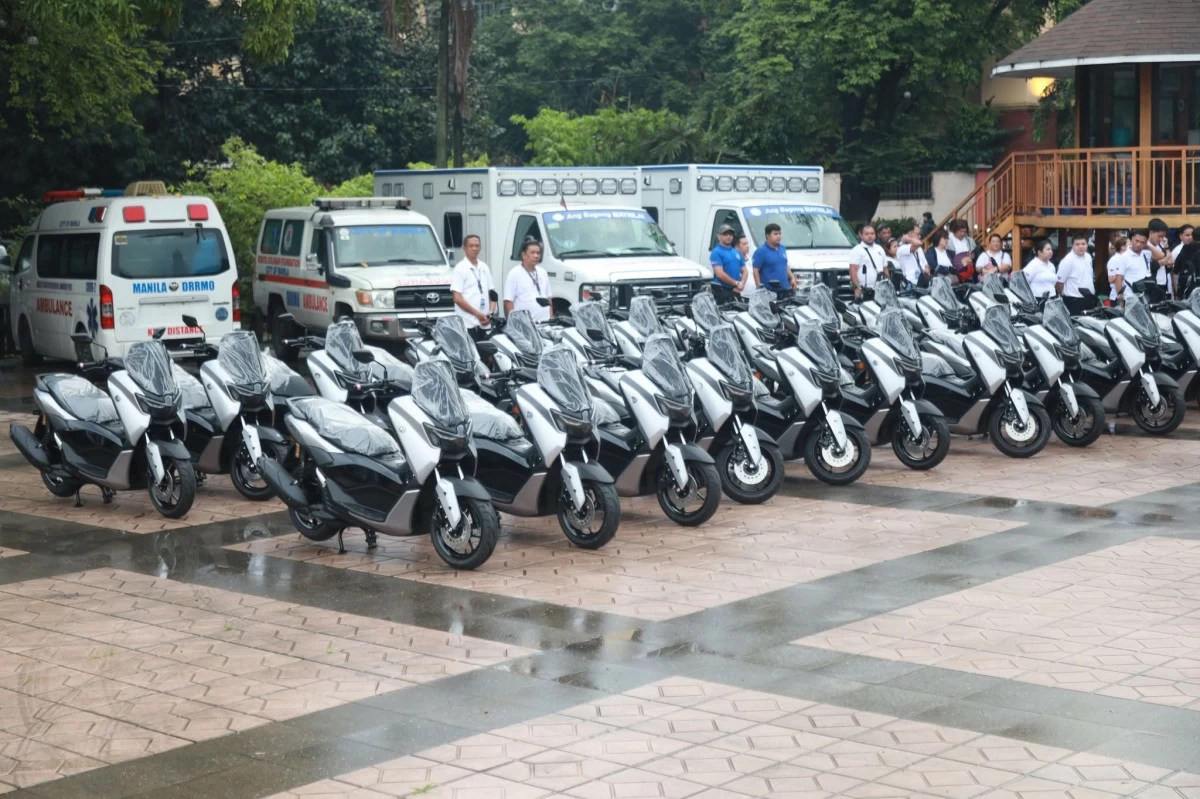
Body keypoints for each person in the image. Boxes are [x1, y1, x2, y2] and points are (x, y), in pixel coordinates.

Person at [450, 234, 496, 336]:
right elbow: (457, 298)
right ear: (464, 248)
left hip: (484, 323)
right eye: (471, 246)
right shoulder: (460, 268)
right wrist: (477, 314)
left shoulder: (484, 267)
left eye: (477, 246)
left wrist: (490, 314)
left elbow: (492, 294)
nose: (474, 248)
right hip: (467, 324)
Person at [504, 238, 553, 322]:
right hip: (526, 324)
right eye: (532, 253)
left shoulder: (543, 272)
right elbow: (508, 301)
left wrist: (551, 318)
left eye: (538, 253)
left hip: (545, 323)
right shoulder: (514, 274)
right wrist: (515, 322)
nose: (536, 256)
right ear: (523, 255)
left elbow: (549, 298)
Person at [1108, 230, 1151, 306]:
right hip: (1129, 299)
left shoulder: (1146, 254)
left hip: (1143, 298)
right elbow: (1118, 279)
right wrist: (1120, 301)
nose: (1139, 244)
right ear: (1131, 239)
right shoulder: (1124, 257)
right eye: (1137, 241)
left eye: (1142, 242)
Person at [1055, 233, 1096, 314]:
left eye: (1083, 244)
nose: (1081, 246)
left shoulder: (1088, 257)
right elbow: (1059, 283)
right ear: (1073, 246)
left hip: (1089, 299)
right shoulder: (1067, 261)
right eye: (1077, 244)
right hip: (1073, 301)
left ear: (1087, 245)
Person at [753, 223, 797, 295]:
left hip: (785, 289)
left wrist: (792, 278)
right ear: (768, 235)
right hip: (770, 292)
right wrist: (759, 287)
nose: (778, 236)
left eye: (780, 234)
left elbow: (785, 264)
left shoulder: (782, 248)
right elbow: (755, 270)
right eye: (775, 234)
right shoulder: (761, 251)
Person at [709, 224, 745, 303]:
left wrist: (741, 284)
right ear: (719, 236)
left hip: (735, 290)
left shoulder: (736, 252)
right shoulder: (716, 252)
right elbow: (719, 274)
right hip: (722, 290)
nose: (728, 236)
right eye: (725, 234)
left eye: (730, 234)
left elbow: (744, 270)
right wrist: (736, 283)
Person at [849, 223, 886, 299]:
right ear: (861, 235)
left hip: (881, 290)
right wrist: (856, 288)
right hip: (864, 290)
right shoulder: (857, 250)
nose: (870, 236)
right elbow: (852, 271)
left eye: (872, 233)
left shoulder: (880, 249)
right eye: (867, 234)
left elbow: (885, 268)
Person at [1147, 218, 1174, 299]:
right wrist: (1161, 262)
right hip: (1152, 284)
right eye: (1159, 236)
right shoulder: (1146, 246)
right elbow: (1147, 266)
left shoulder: (1161, 246)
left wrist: (1166, 247)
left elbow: (1170, 261)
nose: (1161, 239)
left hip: (1164, 283)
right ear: (1151, 232)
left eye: (1163, 237)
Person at [895, 224, 924, 289]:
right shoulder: (902, 248)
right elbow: (919, 243)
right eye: (918, 234)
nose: (919, 236)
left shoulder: (917, 248)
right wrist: (908, 239)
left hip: (919, 281)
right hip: (910, 283)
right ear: (910, 233)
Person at [1171, 224, 1195, 297]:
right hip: (1182, 285)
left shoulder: (1196, 248)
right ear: (1181, 236)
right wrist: (1177, 291)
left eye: (1192, 235)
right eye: (1187, 235)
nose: (1190, 237)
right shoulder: (1177, 251)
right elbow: (1174, 272)